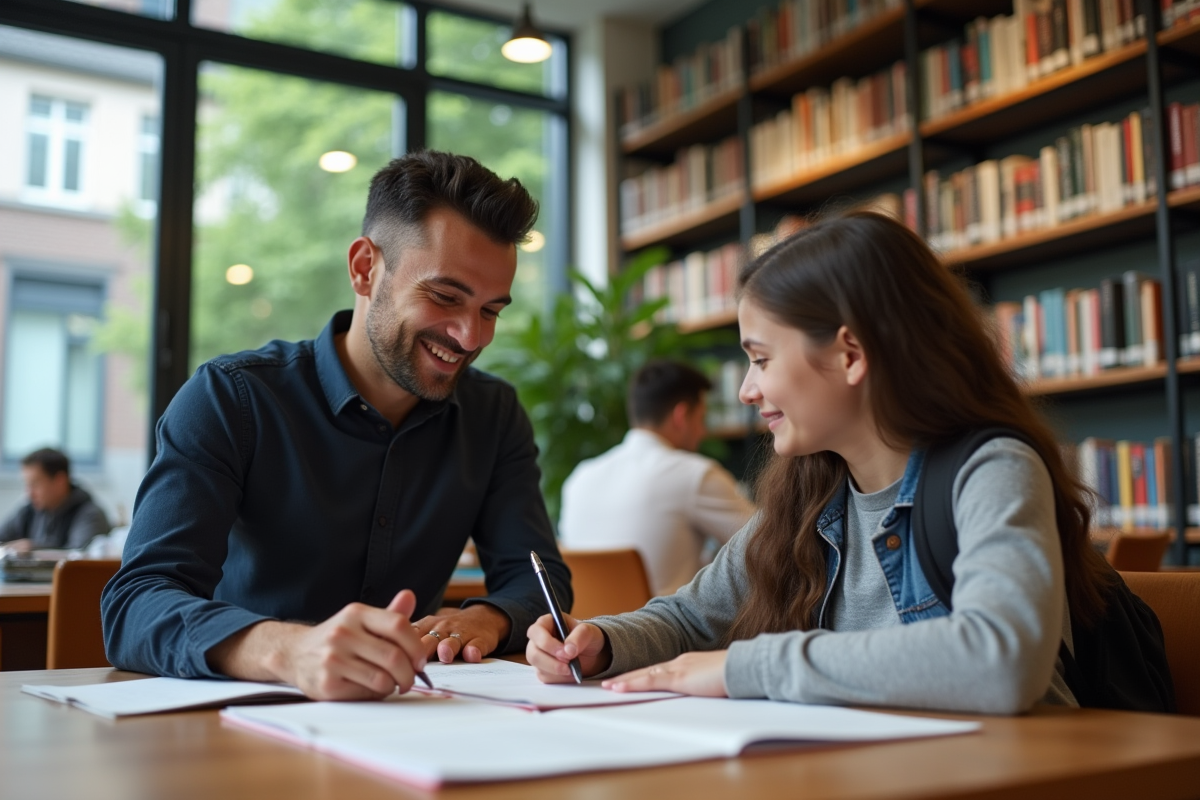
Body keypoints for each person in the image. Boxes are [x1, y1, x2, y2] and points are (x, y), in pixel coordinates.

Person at [528, 211, 1115, 715]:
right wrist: (599, 641)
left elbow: (1002, 660)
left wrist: (746, 667)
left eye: (759, 358)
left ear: (849, 353)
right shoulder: (811, 492)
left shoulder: (991, 470)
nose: (746, 391)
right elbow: (690, 618)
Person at [102, 151, 572, 701]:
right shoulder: (232, 398)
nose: (471, 337)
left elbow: (539, 579)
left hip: (416, 720)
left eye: (491, 311)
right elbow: (137, 602)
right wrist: (287, 651)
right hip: (243, 722)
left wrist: (488, 618)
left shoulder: (495, 415)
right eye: (445, 297)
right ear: (365, 269)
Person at [558, 360, 755, 595]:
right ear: (681, 416)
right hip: (661, 630)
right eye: (701, 419)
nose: (703, 431)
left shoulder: (580, 477)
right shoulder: (695, 474)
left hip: (589, 630)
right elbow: (769, 545)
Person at [0, 448, 111, 552]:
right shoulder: (29, 511)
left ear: (60, 481)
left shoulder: (90, 514)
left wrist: (34, 549)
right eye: (27, 485)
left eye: (35, 485)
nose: (29, 493)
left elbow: (77, 559)